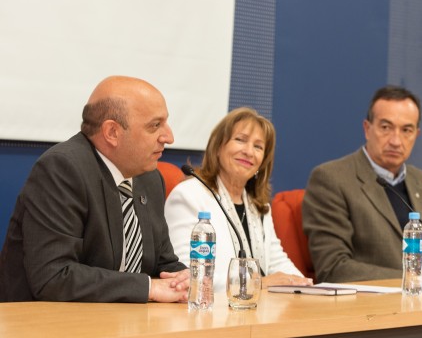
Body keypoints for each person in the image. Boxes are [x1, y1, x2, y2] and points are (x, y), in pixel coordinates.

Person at [0, 76, 189, 302]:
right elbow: (53, 277)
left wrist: (184, 278)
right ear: (112, 132)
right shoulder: (62, 169)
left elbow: (163, 263)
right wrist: (149, 288)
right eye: (155, 125)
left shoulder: (149, 178)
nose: (169, 137)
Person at [302, 85, 422, 283]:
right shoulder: (332, 179)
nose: (396, 141)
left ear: (416, 135)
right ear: (367, 129)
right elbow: (333, 269)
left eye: (406, 130)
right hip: (373, 307)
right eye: (386, 127)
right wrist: (415, 278)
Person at [165, 107, 312, 292]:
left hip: (255, 309)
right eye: (240, 140)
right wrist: (257, 284)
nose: (249, 152)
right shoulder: (189, 196)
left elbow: (275, 259)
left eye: (258, 147)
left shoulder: (258, 205)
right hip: (208, 310)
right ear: (218, 147)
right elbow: (187, 274)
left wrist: (302, 284)